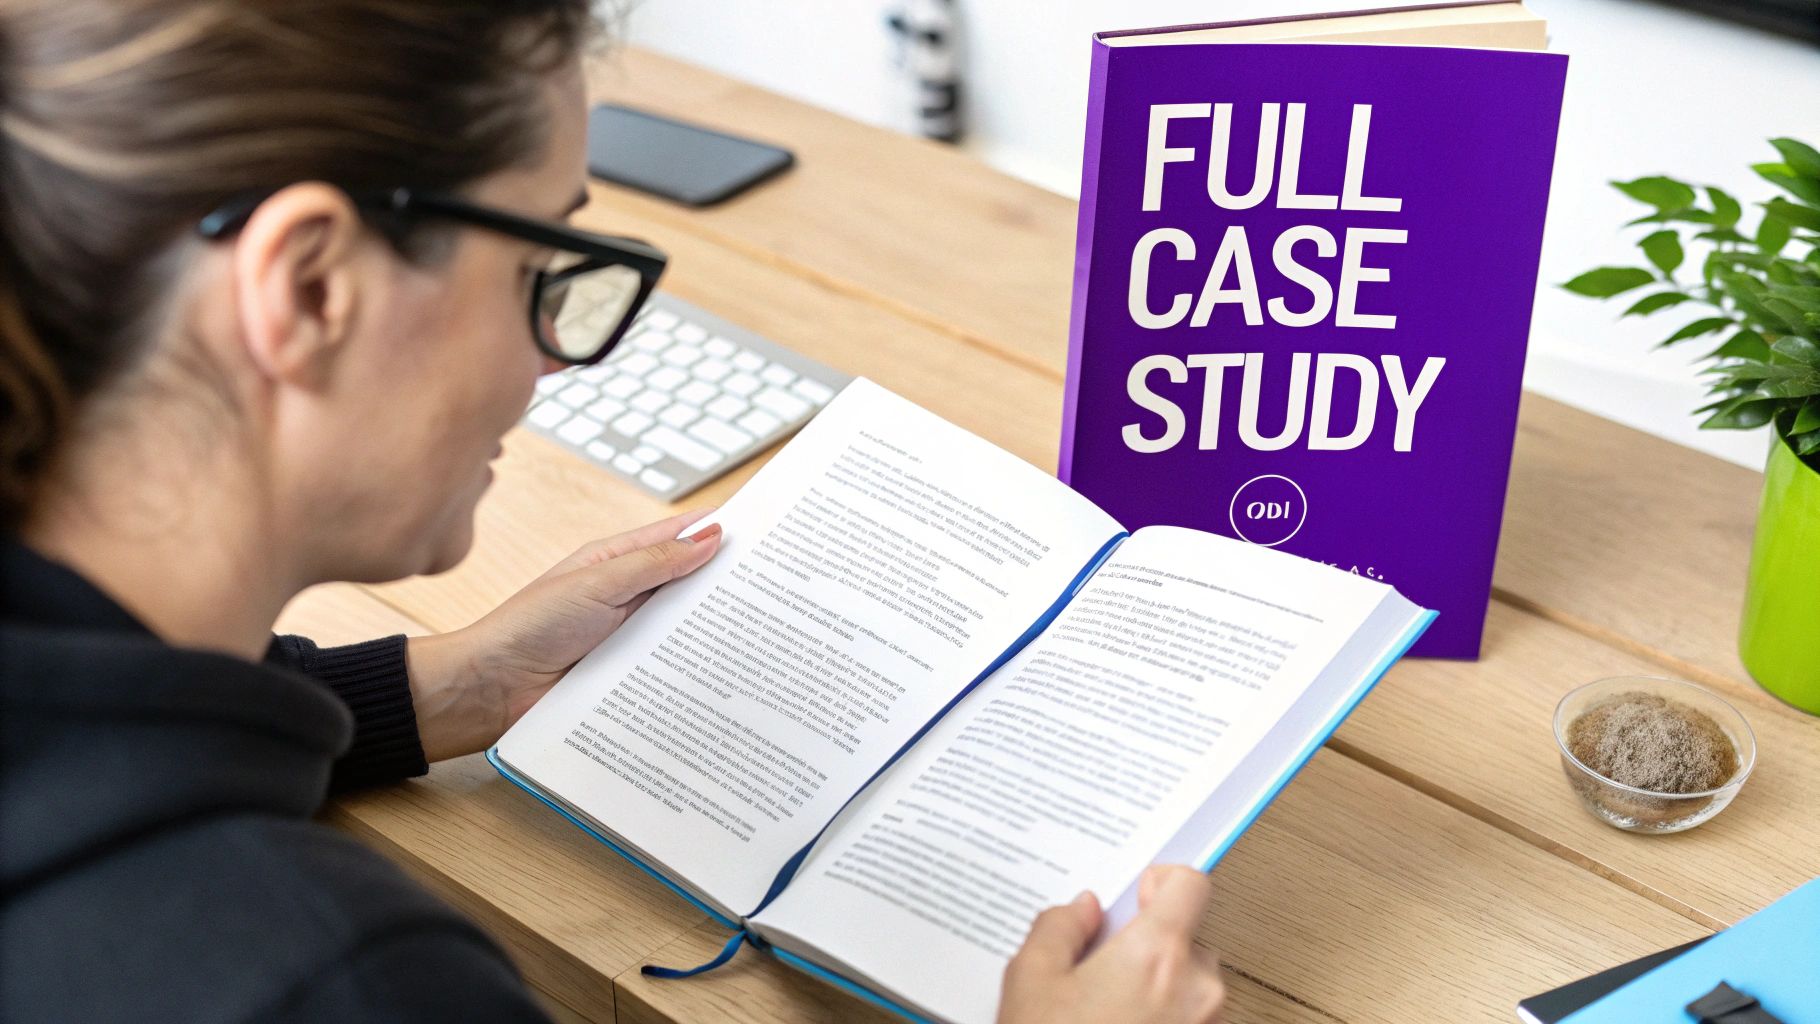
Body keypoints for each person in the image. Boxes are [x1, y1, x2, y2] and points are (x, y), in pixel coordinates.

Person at [0, 2, 1228, 1021]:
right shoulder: (345, 979)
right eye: (537, 270)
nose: (558, 359)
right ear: (311, 287)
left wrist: (447, 685)